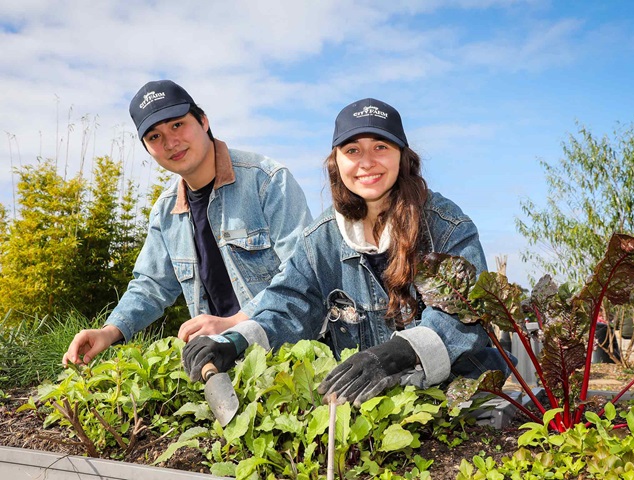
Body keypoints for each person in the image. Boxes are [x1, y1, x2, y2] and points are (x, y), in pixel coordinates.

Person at [182, 98, 509, 406]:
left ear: (403, 157)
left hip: (459, 399)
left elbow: (464, 320)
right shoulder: (320, 239)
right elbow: (287, 308)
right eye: (353, 150)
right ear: (336, 162)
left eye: (380, 147)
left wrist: (393, 354)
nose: (367, 162)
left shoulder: (447, 226)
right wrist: (233, 342)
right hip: (376, 412)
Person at [62, 80, 313, 366]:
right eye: (154, 137)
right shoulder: (165, 211)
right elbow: (151, 285)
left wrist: (236, 323)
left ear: (203, 121)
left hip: (289, 353)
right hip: (220, 361)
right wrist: (109, 332)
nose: (170, 143)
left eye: (177, 125)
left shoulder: (266, 181)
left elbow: (302, 271)